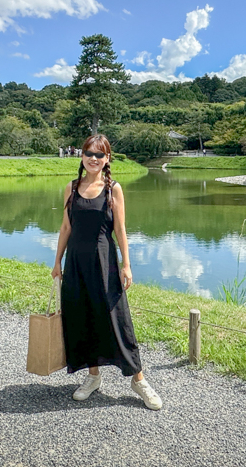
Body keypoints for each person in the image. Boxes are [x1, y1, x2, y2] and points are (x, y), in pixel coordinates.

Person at [51, 134, 162, 410]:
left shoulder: (113, 189)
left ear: (107, 159)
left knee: (117, 318)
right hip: (76, 261)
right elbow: (66, 228)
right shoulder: (71, 188)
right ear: (81, 155)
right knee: (83, 315)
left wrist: (127, 264)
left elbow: (121, 230)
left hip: (105, 260)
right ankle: (93, 376)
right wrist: (57, 262)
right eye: (89, 153)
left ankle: (138, 379)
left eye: (100, 155)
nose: (94, 159)